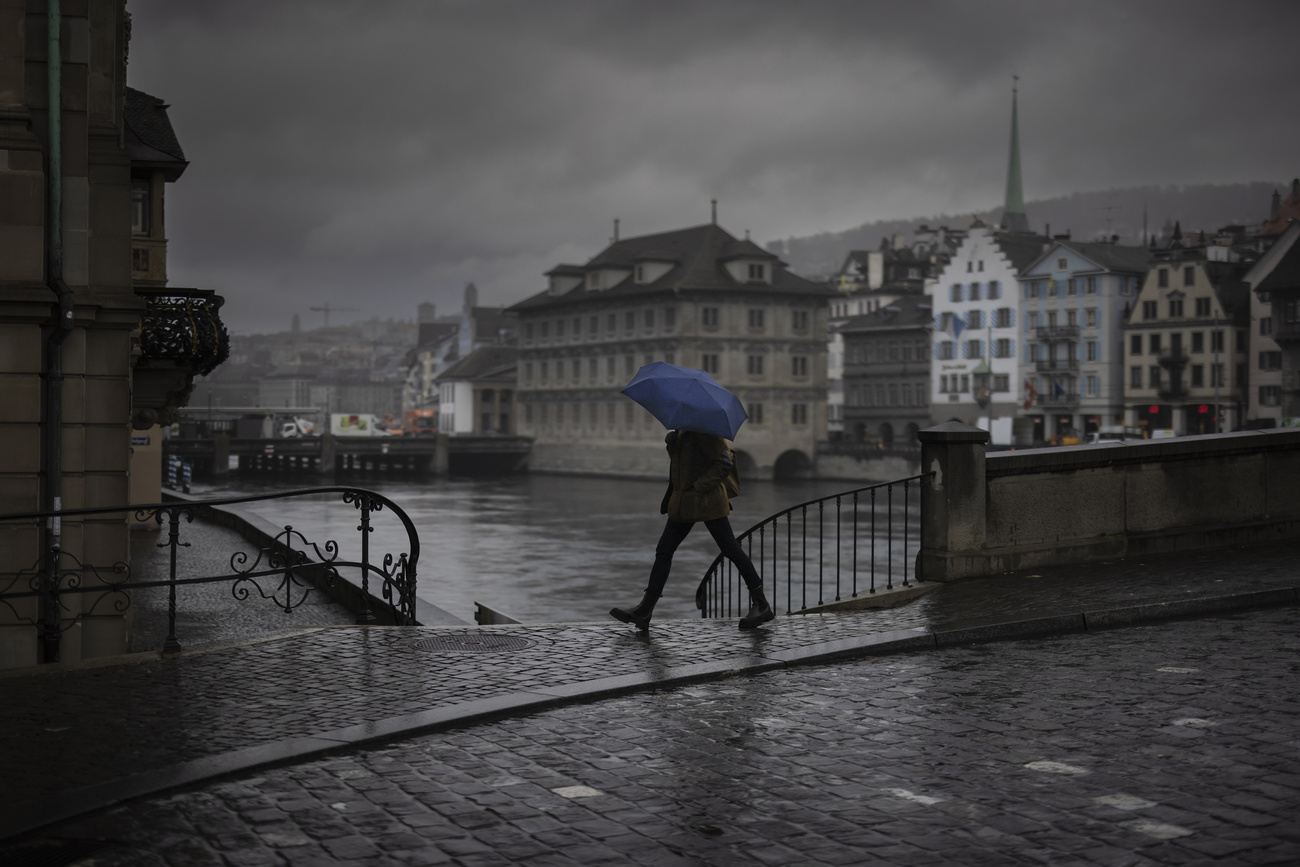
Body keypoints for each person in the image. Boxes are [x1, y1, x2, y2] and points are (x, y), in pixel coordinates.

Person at [611, 429, 773, 631]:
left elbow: (724, 463)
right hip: (685, 502)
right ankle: (645, 609)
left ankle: (761, 603)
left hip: (708, 501)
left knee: (730, 549)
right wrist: (672, 447)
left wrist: (697, 487)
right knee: (664, 551)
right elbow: (685, 466)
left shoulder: (705, 433)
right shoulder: (682, 433)